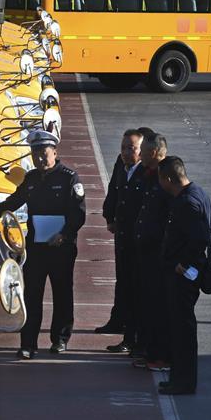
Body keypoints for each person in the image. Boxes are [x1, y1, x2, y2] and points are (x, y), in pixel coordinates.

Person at [0, 129, 86, 359]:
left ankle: (60, 339)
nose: (40, 159)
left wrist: (63, 235)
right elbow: (15, 200)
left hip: (61, 248)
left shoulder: (69, 178)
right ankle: (28, 343)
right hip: (36, 247)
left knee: (62, 294)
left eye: (44, 153)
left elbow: (79, 214)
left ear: (54, 152)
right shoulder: (32, 178)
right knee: (31, 295)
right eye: (35, 154)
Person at [157, 156, 211, 395]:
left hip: (184, 275)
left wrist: (183, 263)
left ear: (169, 178)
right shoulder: (198, 193)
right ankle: (178, 377)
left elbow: (200, 236)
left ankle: (183, 381)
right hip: (186, 271)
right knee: (180, 326)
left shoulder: (187, 202)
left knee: (182, 328)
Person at [97, 129, 144, 339]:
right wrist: (109, 216)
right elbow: (114, 189)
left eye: (131, 148)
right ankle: (117, 321)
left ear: (142, 151)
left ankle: (131, 334)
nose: (126, 152)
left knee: (134, 283)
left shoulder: (147, 172)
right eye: (123, 147)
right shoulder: (121, 163)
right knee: (122, 279)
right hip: (122, 233)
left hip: (138, 237)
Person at [132, 133, 173, 371]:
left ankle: (160, 354)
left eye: (144, 152)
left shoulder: (166, 179)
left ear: (155, 153)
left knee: (159, 307)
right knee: (147, 303)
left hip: (158, 255)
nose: (140, 155)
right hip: (145, 252)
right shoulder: (148, 176)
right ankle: (149, 349)